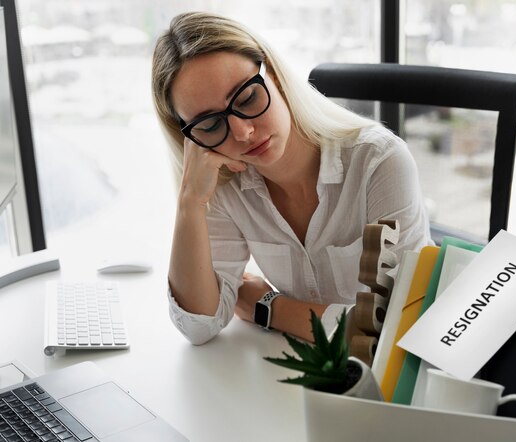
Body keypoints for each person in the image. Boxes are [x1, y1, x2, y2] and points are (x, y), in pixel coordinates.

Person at [151, 12, 432, 345]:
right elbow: (199, 327)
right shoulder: (223, 182)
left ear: (275, 76)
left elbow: (397, 329)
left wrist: (268, 306)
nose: (242, 132)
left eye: (247, 98)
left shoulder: (378, 161)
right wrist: (190, 202)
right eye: (210, 125)